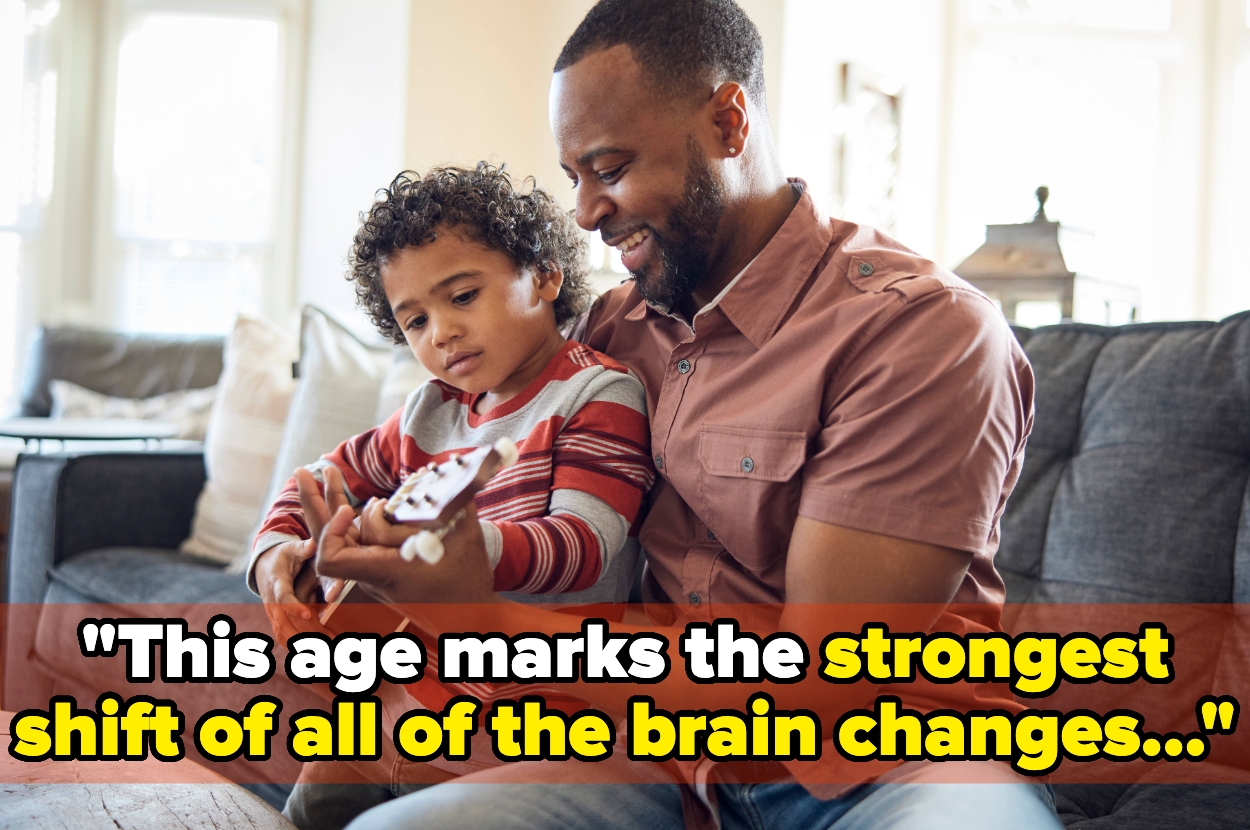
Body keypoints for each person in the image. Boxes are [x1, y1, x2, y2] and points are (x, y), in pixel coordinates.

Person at [266, 1, 1061, 828]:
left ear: (728, 121)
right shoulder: (609, 330)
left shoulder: (921, 331)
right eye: (572, 175)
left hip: (894, 760)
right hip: (655, 756)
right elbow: (449, 438)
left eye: (608, 168)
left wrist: (476, 620)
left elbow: (821, 681)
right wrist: (309, 548)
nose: (583, 212)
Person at [246, 163, 655, 828]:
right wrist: (274, 556)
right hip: (416, 704)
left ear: (545, 275)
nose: (440, 332)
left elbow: (582, 545)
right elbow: (316, 482)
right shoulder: (428, 412)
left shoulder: (597, 394)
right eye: (414, 321)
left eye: (462, 296)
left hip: (551, 722)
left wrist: (464, 549)